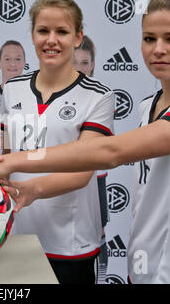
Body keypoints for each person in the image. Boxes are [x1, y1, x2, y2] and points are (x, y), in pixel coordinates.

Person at [0, 0, 170, 284]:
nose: (158, 49)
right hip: (145, 266)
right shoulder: (148, 105)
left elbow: (108, 153)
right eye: (149, 38)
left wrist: (18, 160)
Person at [0, 0, 115, 284]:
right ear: (33, 36)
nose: (51, 40)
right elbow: (8, 155)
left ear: (78, 37)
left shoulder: (99, 96)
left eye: (61, 32)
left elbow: (82, 171)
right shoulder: (13, 88)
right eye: (43, 31)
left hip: (71, 244)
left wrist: (30, 190)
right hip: (17, 236)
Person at [73, 35, 109, 285]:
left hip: (94, 186)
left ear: (93, 64)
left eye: (84, 63)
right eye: (75, 62)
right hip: (55, 189)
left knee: (98, 237)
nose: (80, 69)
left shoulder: (101, 97)